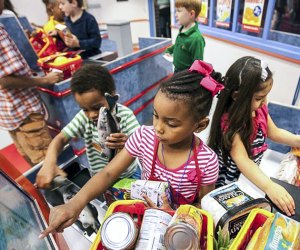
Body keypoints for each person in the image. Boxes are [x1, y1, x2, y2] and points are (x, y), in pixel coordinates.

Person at [39, 60, 225, 237]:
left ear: (200, 125)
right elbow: (108, 174)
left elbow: (204, 207)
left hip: (178, 229)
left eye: (172, 123)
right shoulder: (144, 137)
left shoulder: (206, 162)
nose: (158, 127)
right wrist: (75, 204)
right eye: (155, 116)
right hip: (143, 219)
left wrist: (174, 214)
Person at [208, 56, 300, 216]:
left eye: (266, 96)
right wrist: (270, 186)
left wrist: (298, 140)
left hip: (251, 175)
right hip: (234, 179)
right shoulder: (231, 123)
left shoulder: (259, 110)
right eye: (259, 98)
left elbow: (275, 132)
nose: (264, 102)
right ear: (237, 96)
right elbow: (242, 160)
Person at [36, 64, 141, 188]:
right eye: (85, 109)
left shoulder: (125, 116)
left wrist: (129, 143)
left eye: (97, 107)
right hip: (100, 179)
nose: (91, 115)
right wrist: (49, 163)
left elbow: (142, 144)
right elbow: (60, 139)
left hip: (128, 176)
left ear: (112, 95)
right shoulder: (83, 118)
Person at [0, 0, 64, 166]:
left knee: (34, 163)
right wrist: (44, 80)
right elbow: (5, 81)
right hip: (24, 111)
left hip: (10, 114)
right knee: (47, 165)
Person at [164, 0, 205, 72]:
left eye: (179, 11)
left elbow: (198, 65)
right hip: (177, 71)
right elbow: (178, 45)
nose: (175, 14)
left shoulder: (196, 39)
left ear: (191, 14)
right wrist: (169, 50)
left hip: (186, 76)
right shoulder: (182, 29)